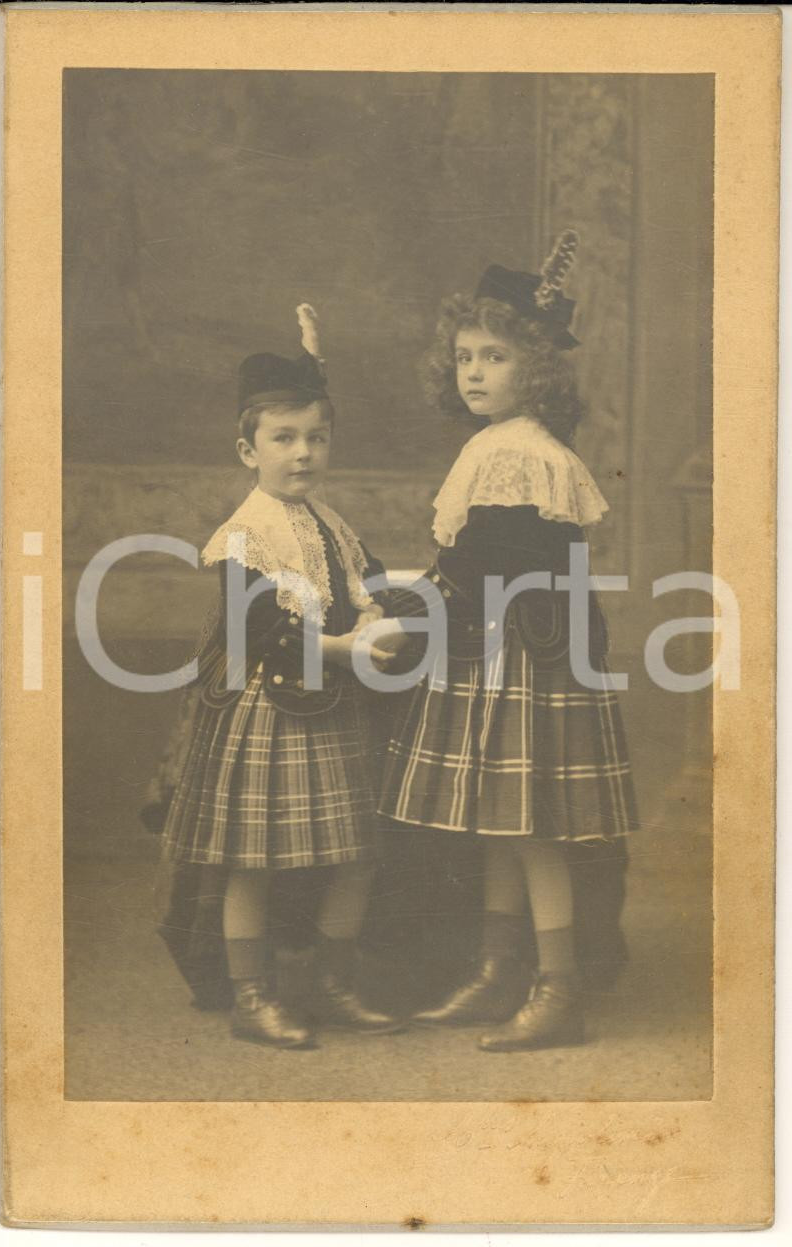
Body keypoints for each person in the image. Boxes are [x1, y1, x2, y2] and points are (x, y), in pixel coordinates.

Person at [378, 232, 638, 1051]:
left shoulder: (521, 454)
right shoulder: (495, 447)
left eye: (493, 355)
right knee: (501, 821)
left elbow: (481, 567)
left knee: (528, 827)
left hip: (522, 654)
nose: (474, 372)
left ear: (536, 367)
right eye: (463, 356)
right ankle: (498, 970)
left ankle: (556, 988)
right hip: (501, 648)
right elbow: (472, 563)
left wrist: (405, 610)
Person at [159, 305, 404, 1049]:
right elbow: (263, 627)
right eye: (284, 438)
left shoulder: (330, 520)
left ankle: (330, 980)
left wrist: (387, 613)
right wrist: (345, 649)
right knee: (253, 861)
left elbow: (364, 583)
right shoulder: (246, 532)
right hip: (269, 707)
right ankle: (252, 995)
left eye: (316, 436)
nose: (303, 453)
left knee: (357, 853)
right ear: (248, 448)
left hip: (332, 706)